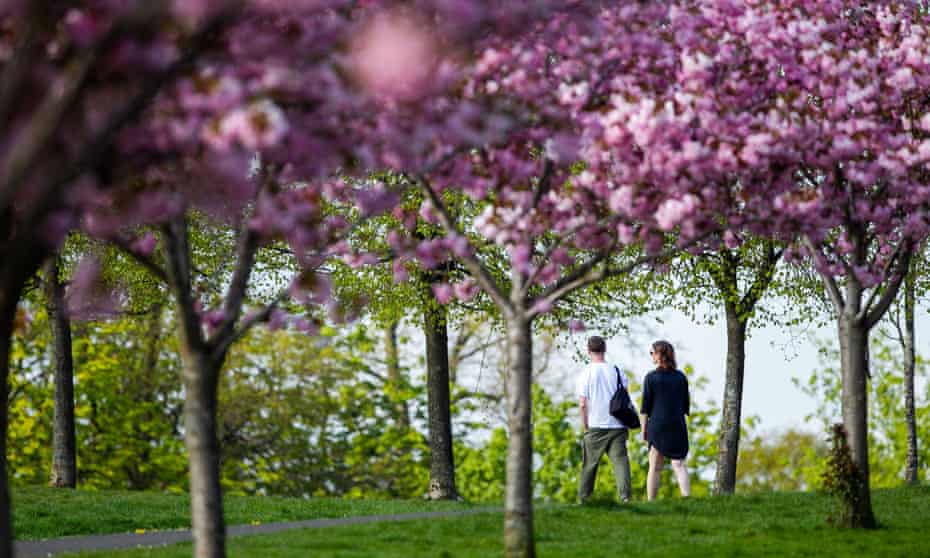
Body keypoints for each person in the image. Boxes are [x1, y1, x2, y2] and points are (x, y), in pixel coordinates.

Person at [576, 335, 631, 503]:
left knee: (590, 465)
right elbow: (625, 397)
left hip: (596, 424)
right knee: (620, 463)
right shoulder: (617, 370)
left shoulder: (586, 373)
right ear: (605, 349)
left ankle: (585, 499)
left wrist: (585, 426)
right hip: (618, 424)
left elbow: (583, 404)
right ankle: (626, 498)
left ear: (588, 351)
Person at [640, 340, 691, 500]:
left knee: (654, 467)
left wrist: (644, 430)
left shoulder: (651, 378)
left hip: (658, 426)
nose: (651, 356)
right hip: (677, 425)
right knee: (679, 464)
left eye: (652, 352)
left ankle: (651, 502)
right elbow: (685, 405)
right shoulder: (681, 377)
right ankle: (686, 497)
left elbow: (645, 408)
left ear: (659, 355)